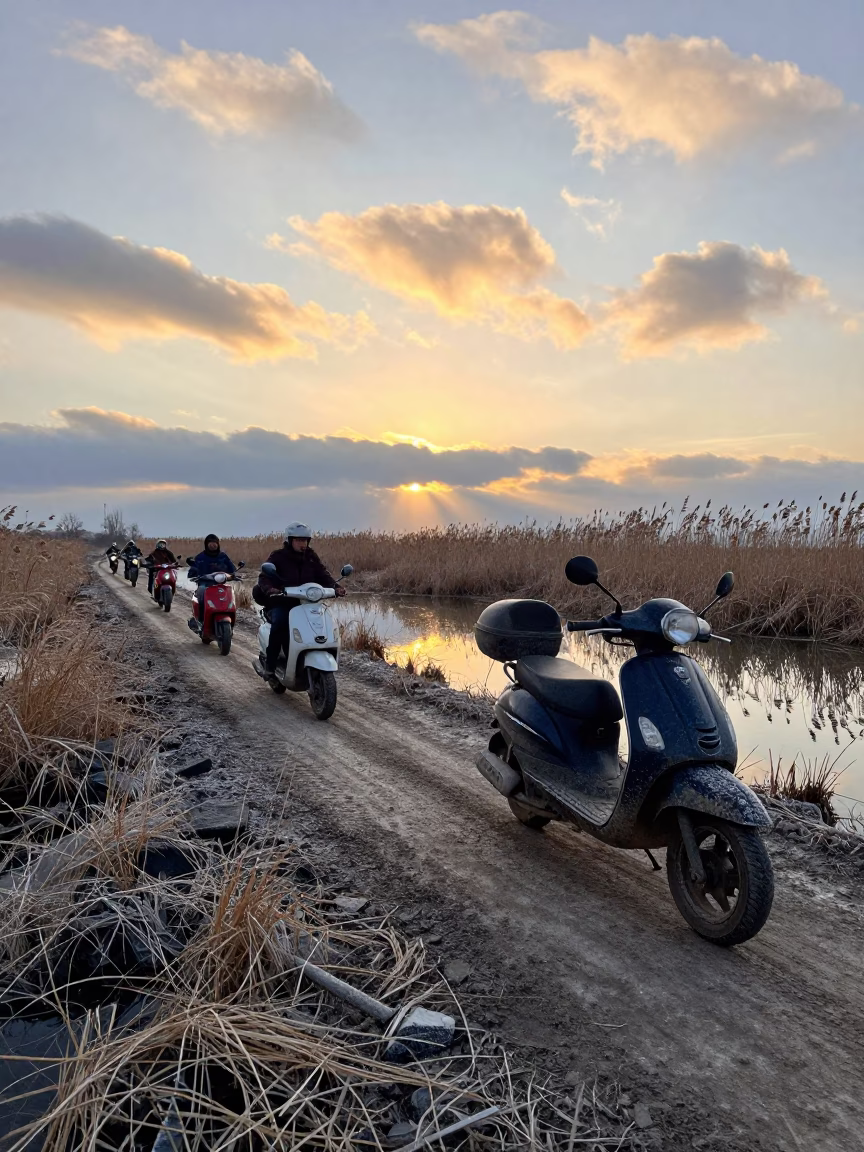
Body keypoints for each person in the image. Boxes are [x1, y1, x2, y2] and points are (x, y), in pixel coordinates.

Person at [254, 522, 346, 674]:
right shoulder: (278, 556)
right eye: (298, 540)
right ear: (289, 540)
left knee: (321, 625)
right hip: (283, 601)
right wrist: (271, 589)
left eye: (305, 540)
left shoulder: (311, 557)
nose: (302, 543)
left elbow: (322, 574)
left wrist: (335, 587)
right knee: (280, 625)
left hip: (308, 603)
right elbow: (264, 577)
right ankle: (270, 666)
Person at [187, 534, 237, 614]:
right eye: (210, 544)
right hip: (204, 583)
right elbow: (194, 569)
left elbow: (232, 568)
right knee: (201, 592)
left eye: (215, 543)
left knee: (230, 592)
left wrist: (233, 575)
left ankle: (230, 612)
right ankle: (200, 617)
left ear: (218, 544)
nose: (213, 546)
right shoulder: (200, 557)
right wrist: (193, 572)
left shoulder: (223, 556)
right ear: (206, 544)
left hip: (220, 583)